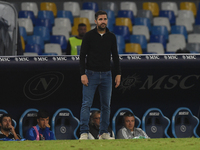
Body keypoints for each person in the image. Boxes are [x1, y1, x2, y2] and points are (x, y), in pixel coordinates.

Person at [79, 10, 121, 140]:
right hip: (91, 74)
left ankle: (103, 133)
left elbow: (115, 56)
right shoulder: (88, 36)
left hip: (107, 75)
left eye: (105, 19)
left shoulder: (111, 37)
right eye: (101, 19)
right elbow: (82, 56)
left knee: (106, 105)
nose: (103, 21)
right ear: (96, 21)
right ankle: (84, 133)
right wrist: (82, 74)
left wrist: (118, 73)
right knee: (86, 104)